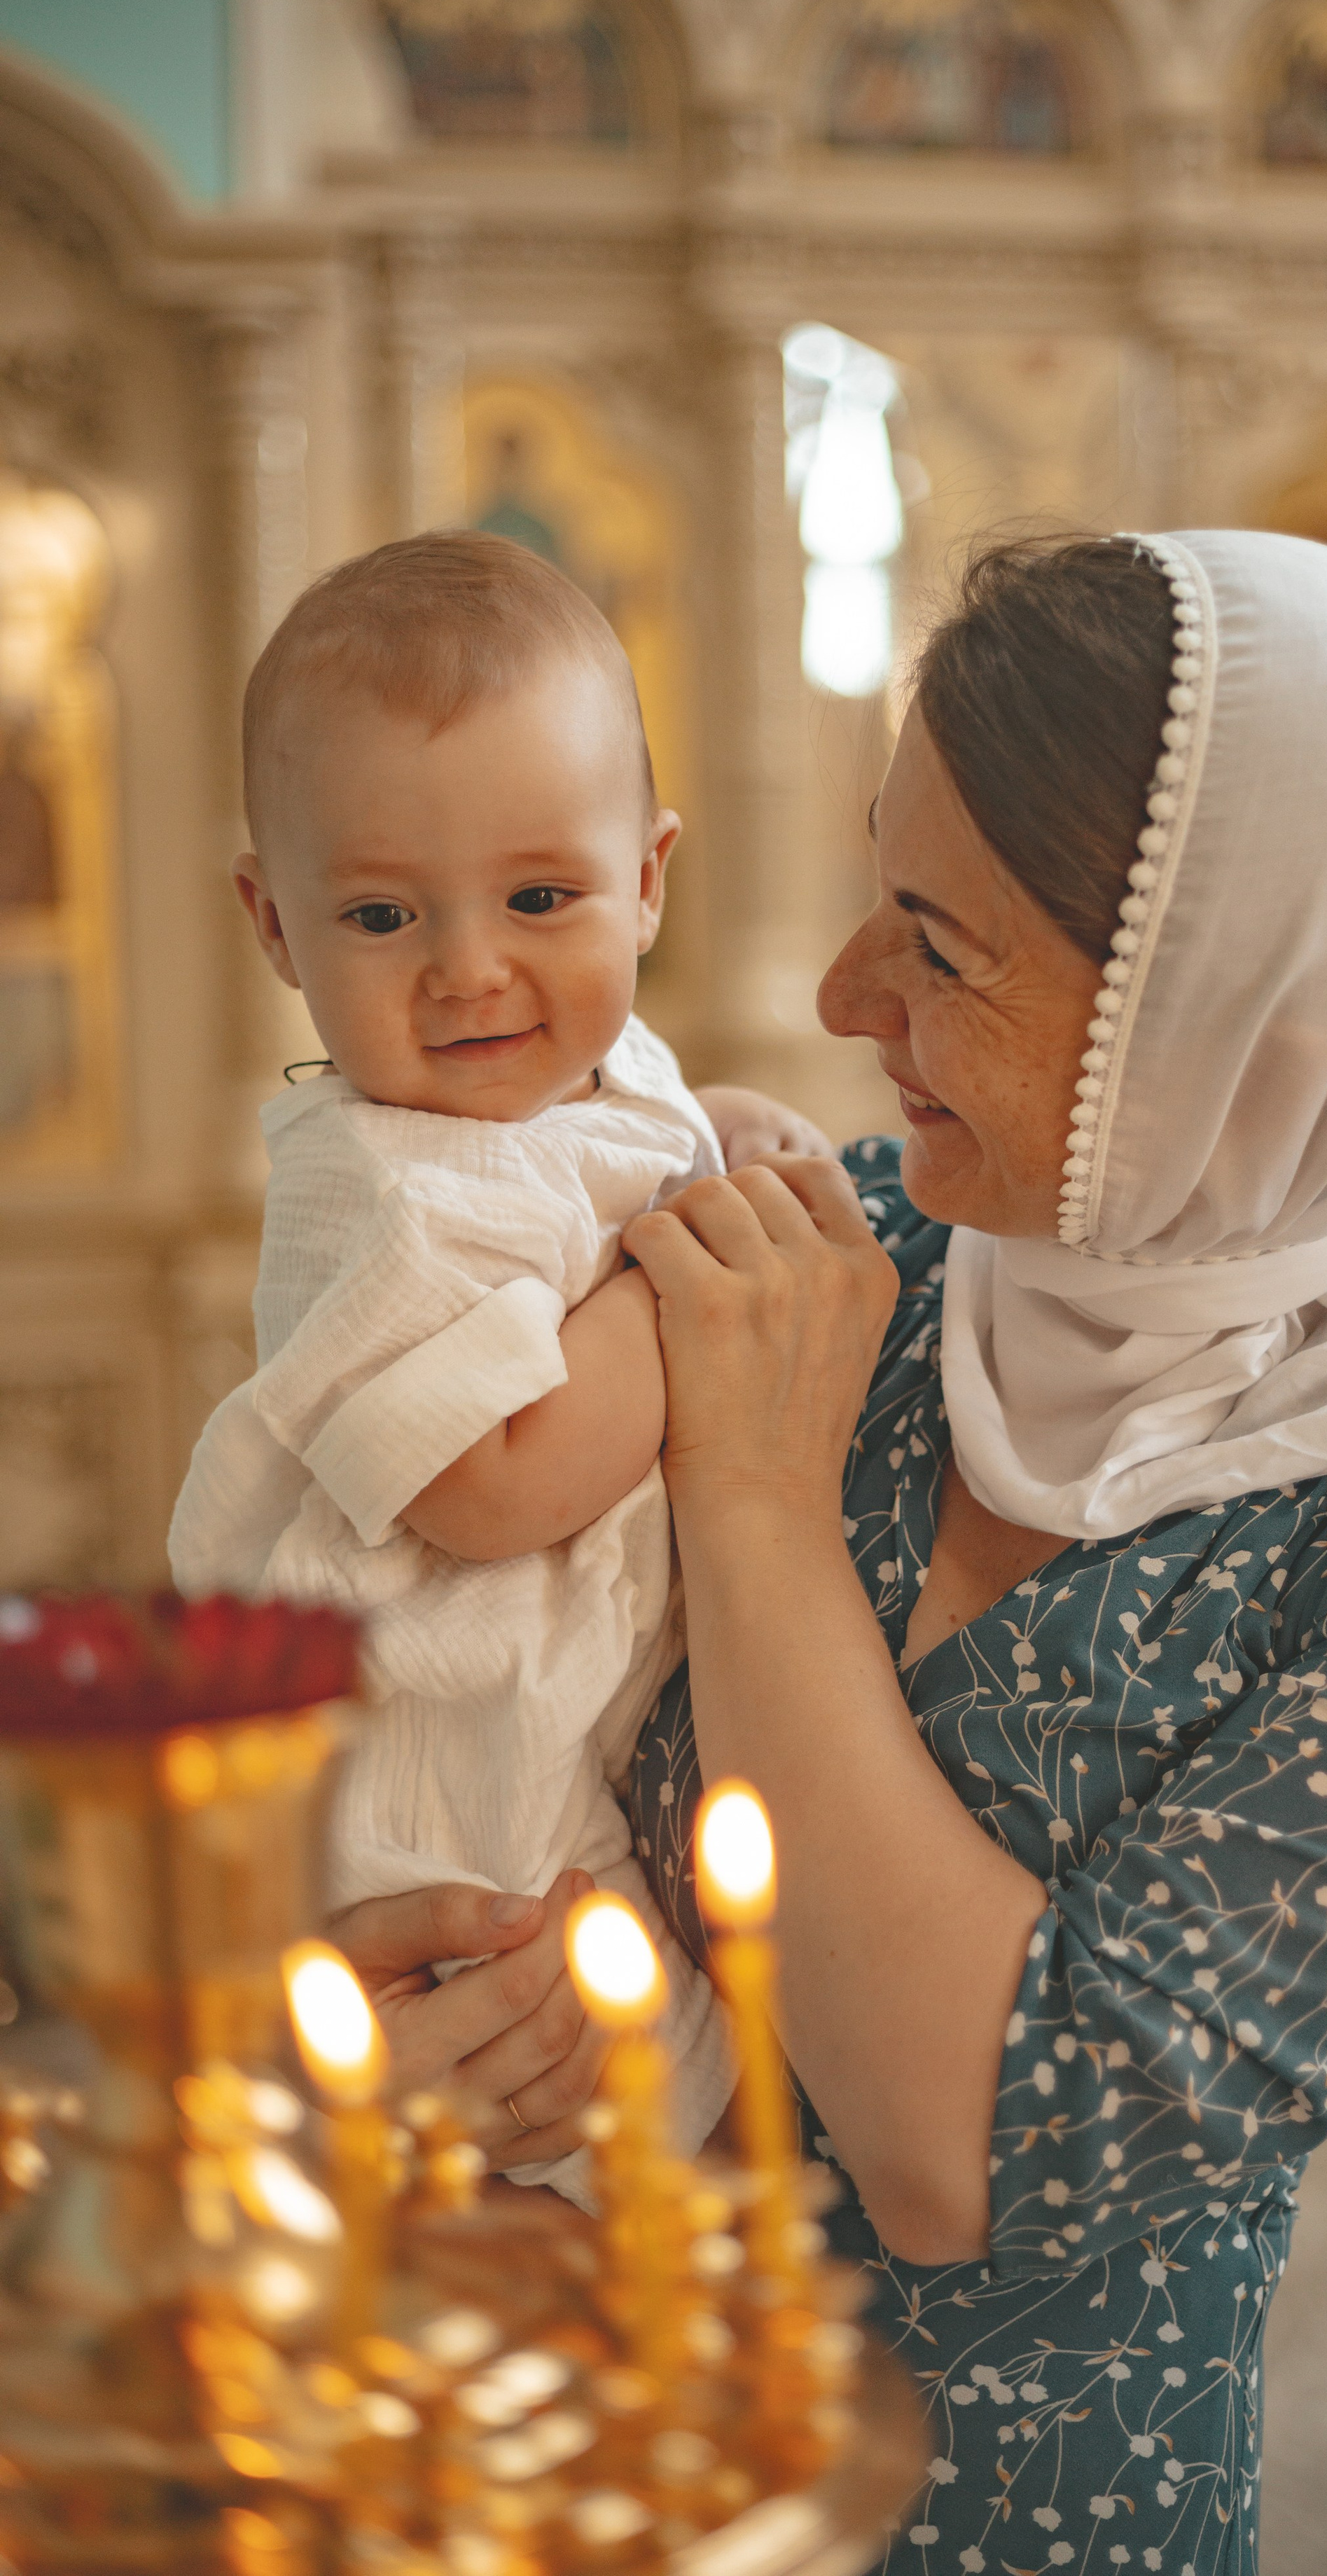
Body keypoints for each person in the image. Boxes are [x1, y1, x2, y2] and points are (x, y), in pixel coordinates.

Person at [330, 531, 1327, 2564]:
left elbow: (989, 2150)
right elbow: (426, 1643)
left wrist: (766, 1504)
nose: (834, 995)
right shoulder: (859, 1235)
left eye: (939, 948)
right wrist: (413, 2004)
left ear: (1243, 1023)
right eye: (880, 887)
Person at [169, 529, 826, 2194]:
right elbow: (489, 1480)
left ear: (649, 878)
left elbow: (647, 1151)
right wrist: (693, 1273)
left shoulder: (591, 1075)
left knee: (682, 2112)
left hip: (556, 1726)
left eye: (542, 899)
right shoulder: (365, 1186)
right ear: (271, 919)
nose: (470, 968)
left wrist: (725, 1141)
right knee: (576, 2110)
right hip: (428, 1774)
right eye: (383, 915)